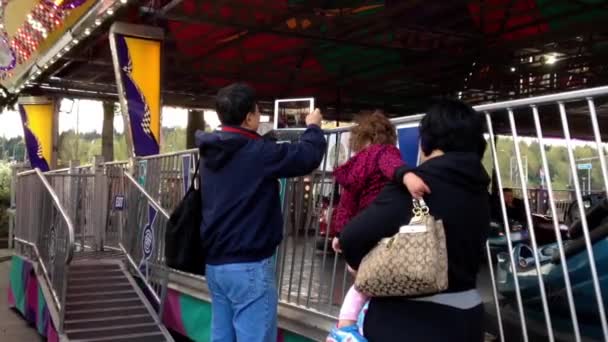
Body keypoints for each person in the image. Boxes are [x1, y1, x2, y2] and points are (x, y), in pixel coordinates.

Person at [338, 98, 490, 342]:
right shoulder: (481, 191)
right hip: (468, 321)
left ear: (428, 141)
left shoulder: (417, 185)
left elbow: (352, 238)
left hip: (410, 321)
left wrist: (364, 269)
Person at [196, 83, 327, 342]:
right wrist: (313, 128)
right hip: (249, 266)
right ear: (249, 117)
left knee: (221, 337)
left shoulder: (210, 150)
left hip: (215, 264)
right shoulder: (257, 152)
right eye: (258, 111)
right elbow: (307, 156)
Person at [326, 112, 411, 341]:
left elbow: (346, 204)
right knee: (376, 284)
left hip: (358, 233)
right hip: (381, 230)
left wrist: (339, 234)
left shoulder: (355, 166)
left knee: (361, 285)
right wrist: (407, 176)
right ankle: (357, 328)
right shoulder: (383, 152)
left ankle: (345, 327)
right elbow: (393, 166)